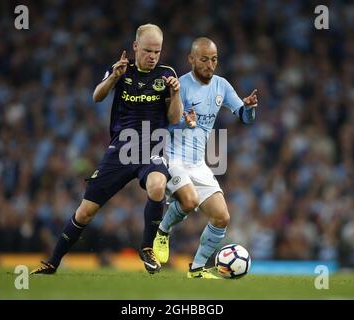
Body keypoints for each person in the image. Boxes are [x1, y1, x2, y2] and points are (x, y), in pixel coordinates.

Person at [31, 24, 183, 275]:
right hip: (122, 148)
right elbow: (97, 96)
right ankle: (53, 261)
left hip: (153, 145)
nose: (153, 56)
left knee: (157, 185)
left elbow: (175, 119)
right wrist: (114, 76)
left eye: (157, 51)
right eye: (147, 51)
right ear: (135, 47)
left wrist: (175, 94)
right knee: (86, 211)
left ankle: (147, 248)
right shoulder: (121, 69)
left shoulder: (167, 74)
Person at [153, 37, 258, 278]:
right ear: (191, 59)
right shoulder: (180, 85)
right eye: (204, 59)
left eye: (214, 60)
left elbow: (244, 117)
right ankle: (162, 231)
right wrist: (182, 122)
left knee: (222, 217)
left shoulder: (221, 85)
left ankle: (197, 268)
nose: (210, 65)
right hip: (173, 158)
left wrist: (249, 107)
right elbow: (164, 123)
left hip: (198, 163)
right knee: (188, 202)